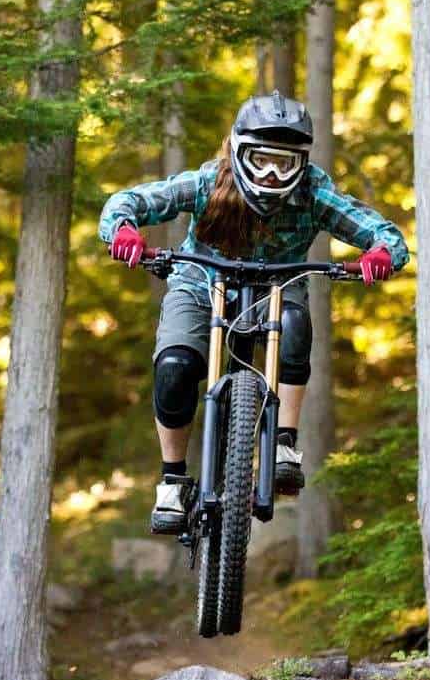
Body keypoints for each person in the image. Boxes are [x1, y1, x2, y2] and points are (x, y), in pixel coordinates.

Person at [99, 91, 409, 534]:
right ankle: (171, 481)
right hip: (202, 282)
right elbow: (129, 202)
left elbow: (383, 232)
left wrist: (380, 254)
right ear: (238, 151)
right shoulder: (208, 182)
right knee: (175, 366)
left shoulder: (314, 193)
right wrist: (124, 232)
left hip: (278, 288)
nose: (271, 174)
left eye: (284, 164)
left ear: (301, 163)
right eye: (261, 160)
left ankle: (284, 444)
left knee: (296, 324)